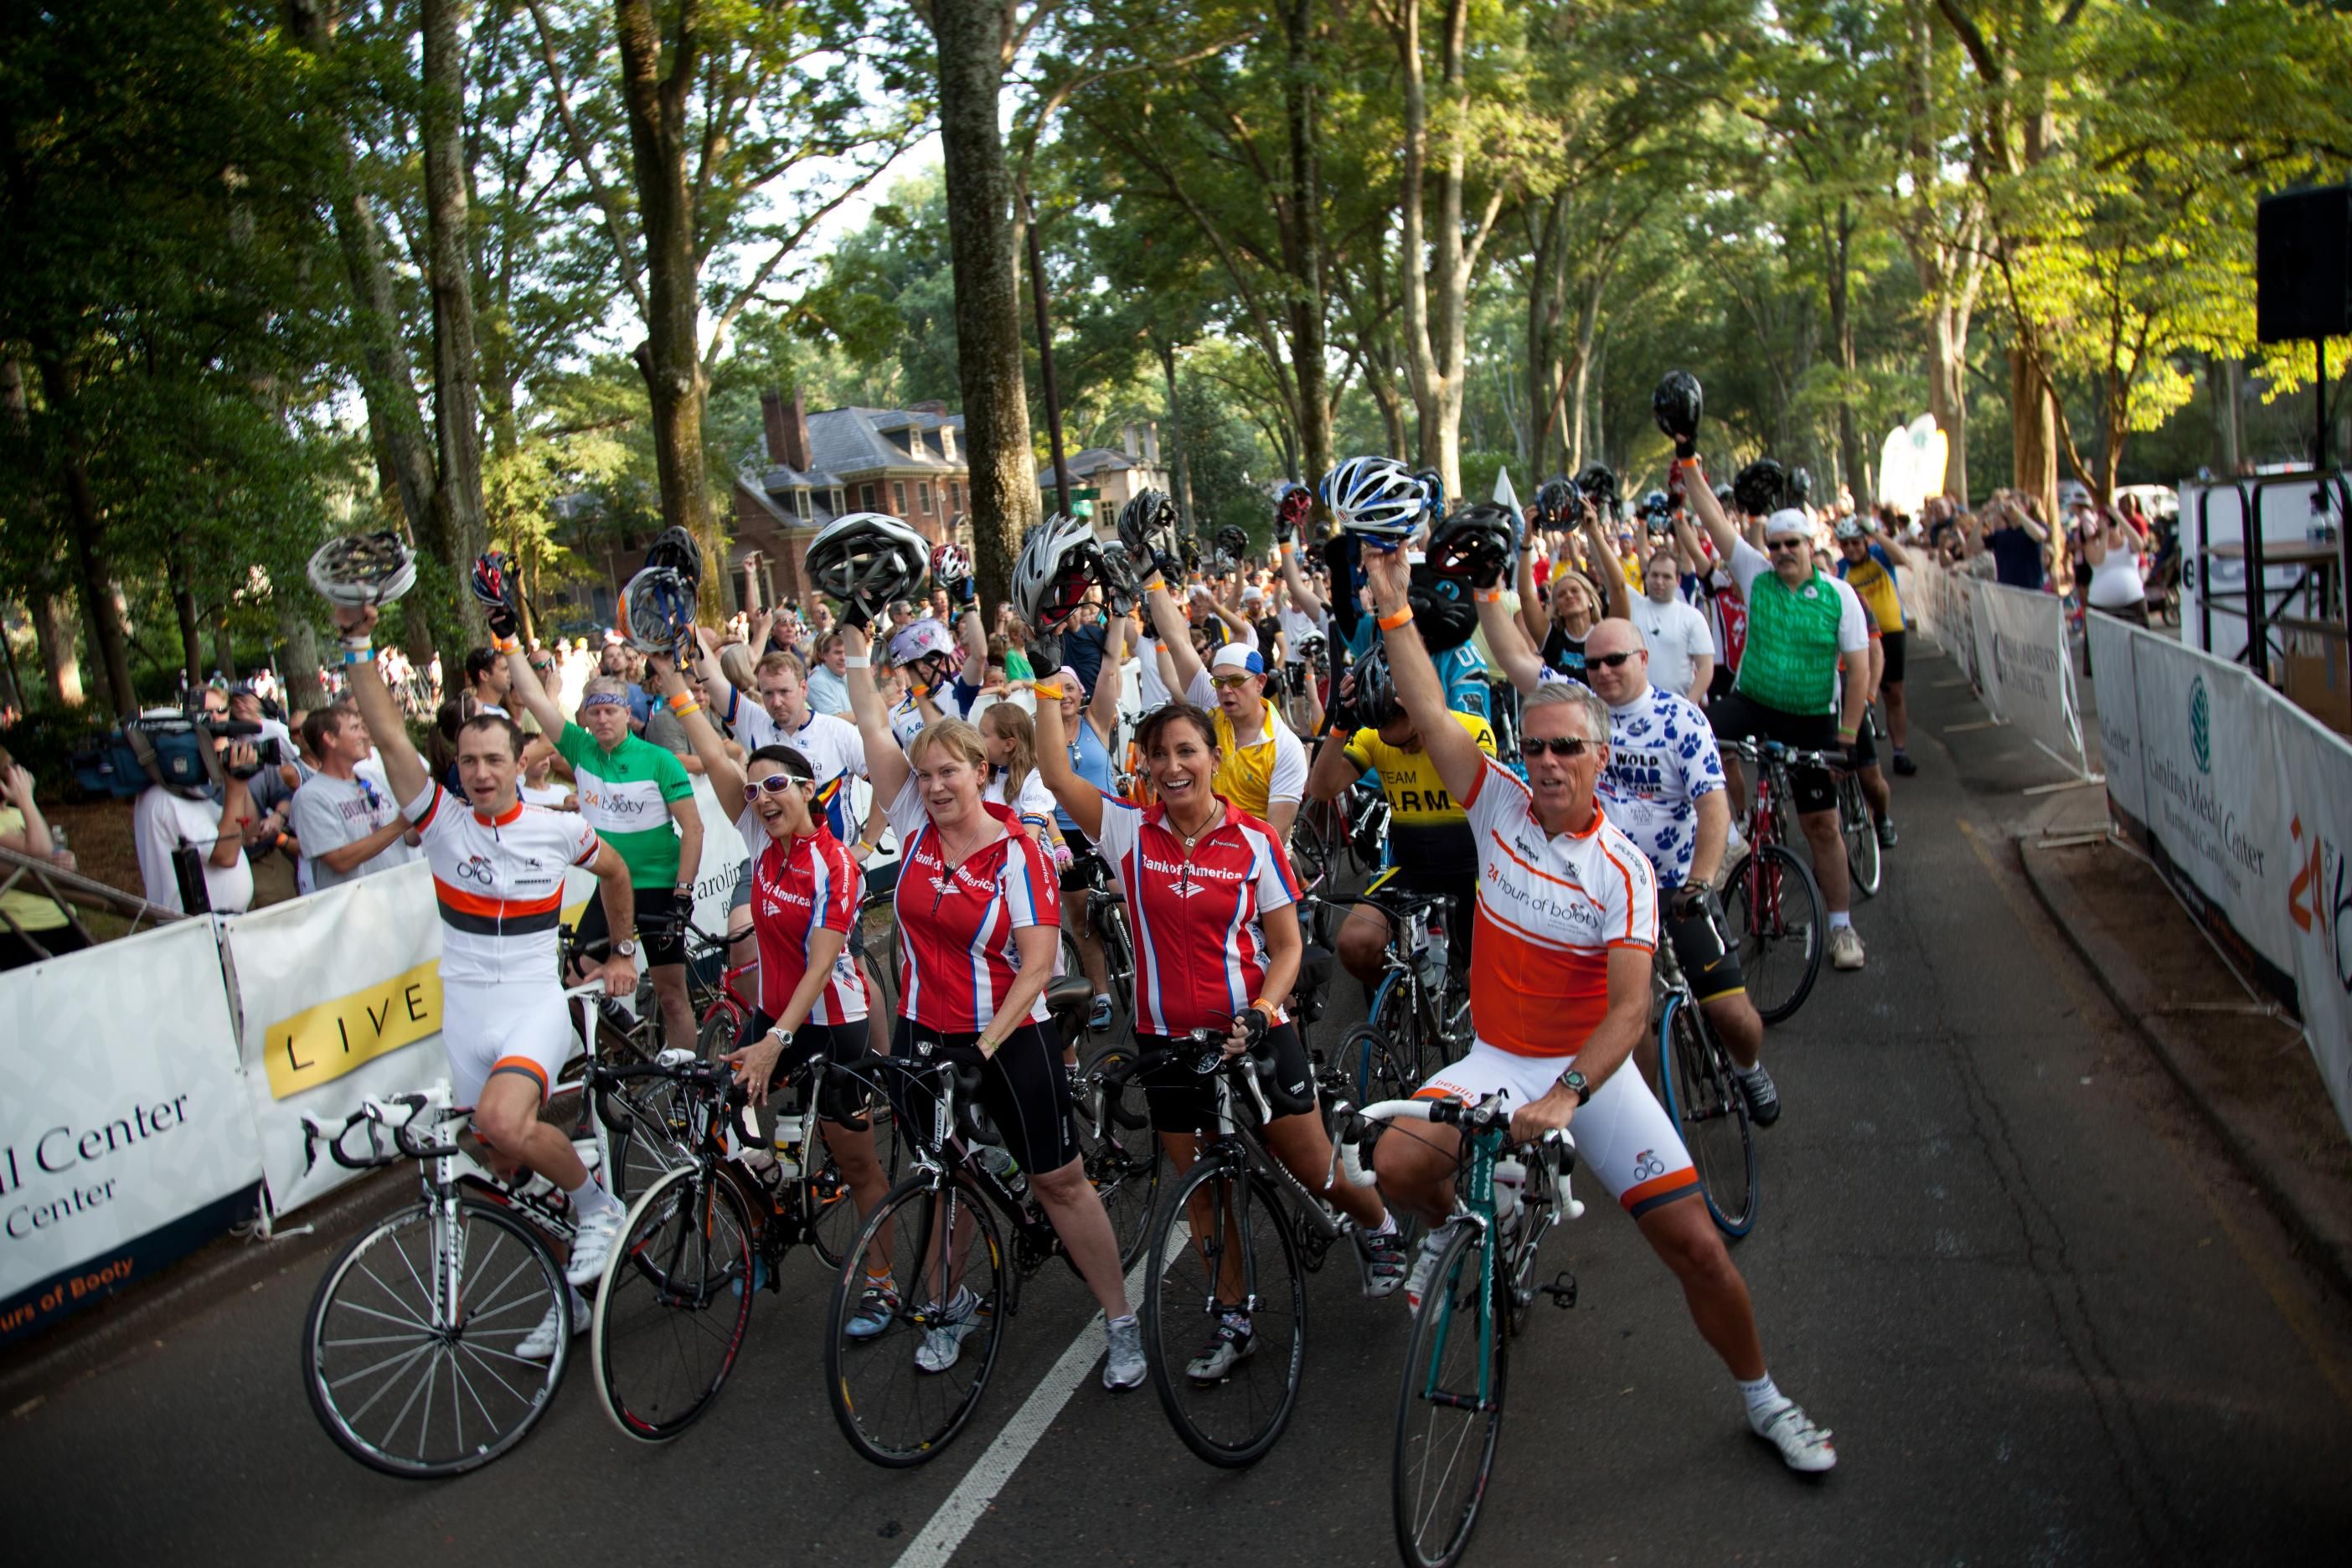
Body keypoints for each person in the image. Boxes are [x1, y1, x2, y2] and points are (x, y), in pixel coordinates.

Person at [1357, 545, 1834, 1473]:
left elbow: (1625, 1016)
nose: (1545, 762)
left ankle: (1765, 1399)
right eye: (1532, 745)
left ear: (1598, 756)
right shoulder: (1494, 803)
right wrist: (1392, 611)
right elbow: (1425, 707)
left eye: (1566, 747)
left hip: (1590, 1077)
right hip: (1497, 1057)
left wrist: (1569, 1096)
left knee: (1697, 1249)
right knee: (1393, 1163)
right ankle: (1477, 1234)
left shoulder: (1622, 871)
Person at [1034, 686, 1409, 1356]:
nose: (1173, 766)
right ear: (1144, 766)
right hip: (1167, 1042)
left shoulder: (1255, 839)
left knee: (1315, 1165)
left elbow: (1288, 946)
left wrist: (1266, 1011)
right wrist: (1039, 686)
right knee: (1203, 1192)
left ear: (1213, 756)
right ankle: (1233, 1314)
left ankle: (1377, 1225)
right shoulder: (1126, 828)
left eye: (1186, 751)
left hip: (1253, 1030)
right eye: (1158, 756)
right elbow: (1056, 772)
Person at [842, 622, 1147, 1389]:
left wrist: (981, 1048)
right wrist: (855, 642)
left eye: (951, 772)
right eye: (927, 776)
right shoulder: (912, 824)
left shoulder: (1017, 849)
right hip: (924, 1031)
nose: (937, 786)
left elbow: (1038, 964)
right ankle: (952, 1304)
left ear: (982, 770)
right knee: (942, 1174)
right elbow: (875, 723)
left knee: (1058, 1181)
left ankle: (1121, 1320)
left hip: (1007, 1036)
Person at [332, 601, 639, 1353]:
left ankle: (597, 1207)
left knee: (504, 1122)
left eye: (493, 760)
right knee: (495, 1153)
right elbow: (388, 735)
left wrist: (622, 950)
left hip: (531, 1001)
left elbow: (617, 871)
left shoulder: (556, 825)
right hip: (465, 1013)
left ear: (518, 762)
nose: (478, 773)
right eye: (467, 761)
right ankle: (576, 1281)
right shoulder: (440, 820)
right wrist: (357, 642)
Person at [1482, 607, 1779, 1122]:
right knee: (1626, 1019)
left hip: (1674, 889)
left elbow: (1713, 806)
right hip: (1597, 889)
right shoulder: (1578, 707)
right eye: (1592, 663)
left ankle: (1749, 1067)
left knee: (1730, 1011)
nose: (1602, 672)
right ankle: (1649, 1119)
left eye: (1615, 660)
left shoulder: (1681, 719)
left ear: (1643, 659)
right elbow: (1512, 657)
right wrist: (1487, 592)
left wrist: (1701, 884)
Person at [714, 740, 895, 1337]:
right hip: (776, 1014)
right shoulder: (764, 852)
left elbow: (820, 968)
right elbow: (716, 762)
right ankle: (767, 1208)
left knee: (856, 1161)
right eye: (752, 789)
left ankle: (883, 1281)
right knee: (713, 1112)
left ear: (805, 787)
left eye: (775, 785)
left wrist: (775, 1043)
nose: (763, 798)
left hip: (830, 1023)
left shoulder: (834, 862)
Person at [1687, 475, 1873, 974]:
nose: (1784, 552)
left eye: (1793, 544)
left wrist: (1848, 739)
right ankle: (1736, 828)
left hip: (1813, 719)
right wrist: (1687, 458)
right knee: (1698, 735)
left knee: (1822, 826)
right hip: (1754, 703)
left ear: (1811, 546)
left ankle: (1840, 926)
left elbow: (1859, 671)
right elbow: (1711, 516)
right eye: (1776, 545)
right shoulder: (1755, 574)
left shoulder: (1839, 596)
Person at [502, 660, 704, 1055]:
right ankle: (630, 1050)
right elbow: (534, 700)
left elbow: (693, 829)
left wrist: (682, 891)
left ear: (628, 713)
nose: (602, 719)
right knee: (574, 980)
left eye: (611, 710)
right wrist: (509, 645)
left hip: (659, 888)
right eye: (594, 712)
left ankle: (687, 1082)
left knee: (671, 995)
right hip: (612, 889)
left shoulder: (658, 760)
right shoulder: (580, 747)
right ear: (585, 718)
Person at [1303, 652, 1494, 989]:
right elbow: (1320, 789)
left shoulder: (1473, 728)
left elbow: (1485, 794)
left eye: (1410, 739)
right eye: (1390, 737)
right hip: (1411, 867)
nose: (1404, 750)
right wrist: (1339, 725)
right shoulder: (1373, 738)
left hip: (1470, 870)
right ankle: (1401, 1002)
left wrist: (1431, 719)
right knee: (1354, 943)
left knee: (1477, 979)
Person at [1144, 575, 1308, 843]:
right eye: (1219, 682)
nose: (1225, 691)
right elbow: (1177, 641)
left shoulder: (1285, 745)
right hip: (1205, 845)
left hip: (1256, 854)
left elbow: (1276, 835)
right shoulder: (1211, 702)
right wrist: (1152, 578)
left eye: (1235, 682)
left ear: (1260, 683)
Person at [132, 691, 262, 916]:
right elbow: (226, 855)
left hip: (218, 924)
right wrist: (235, 788)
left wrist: (240, 780)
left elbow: (249, 833)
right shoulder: (167, 799)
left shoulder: (185, 793)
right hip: (200, 928)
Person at [289, 704, 420, 894]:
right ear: (330, 739)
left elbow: (409, 839)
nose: (364, 735)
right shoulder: (310, 797)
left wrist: (424, 814)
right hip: (355, 910)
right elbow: (340, 861)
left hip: (400, 898)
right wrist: (399, 825)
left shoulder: (374, 778)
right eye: (355, 728)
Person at [1834, 517, 1918, 780]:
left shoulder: (1880, 555)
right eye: (1845, 544)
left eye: (1856, 543)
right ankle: (1862, 755)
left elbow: (1905, 559)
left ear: (1865, 541)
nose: (1851, 549)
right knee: (1856, 690)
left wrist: (1876, 534)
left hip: (1892, 631)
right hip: (1861, 637)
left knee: (1893, 693)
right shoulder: (1841, 568)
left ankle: (1900, 751)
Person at [0, 747, 86, 969]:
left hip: (61, 917)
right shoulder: (21, 811)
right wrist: (26, 799)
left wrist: (65, 861)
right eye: (8, 769)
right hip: (22, 929)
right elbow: (37, 849)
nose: (17, 774)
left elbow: (47, 852)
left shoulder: (18, 814)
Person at [1629, 548, 1715, 704]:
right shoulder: (1632, 605)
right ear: (1646, 576)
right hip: (1636, 706)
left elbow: (1705, 668)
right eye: (1654, 575)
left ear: (1678, 581)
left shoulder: (1692, 617)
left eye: (1667, 577)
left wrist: (1688, 706)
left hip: (1677, 707)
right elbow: (1605, 570)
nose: (1659, 581)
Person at [1974, 493, 2050, 591]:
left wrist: (2017, 512)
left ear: (2026, 507)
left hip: (2030, 590)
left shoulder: (2036, 526)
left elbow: (2039, 535)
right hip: (2006, 590)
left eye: (2015, 504)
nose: (2010, 508)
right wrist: (1981, 519)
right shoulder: (2001, 534)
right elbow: (1974, 546)